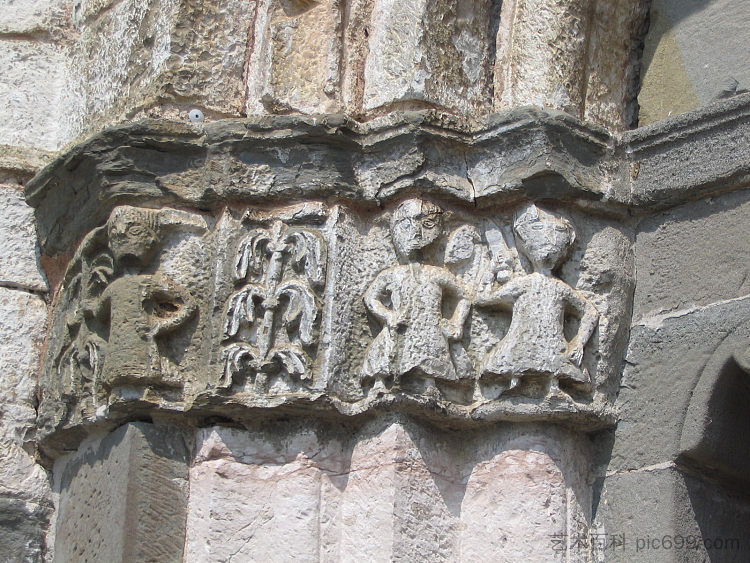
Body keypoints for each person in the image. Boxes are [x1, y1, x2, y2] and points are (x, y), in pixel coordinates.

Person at [477, 202, 598, 392]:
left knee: (553, 366)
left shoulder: (558, 288)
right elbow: (483, 301)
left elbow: (590, 311)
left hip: (552, 344)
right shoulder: (525, 284)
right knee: (517, 363)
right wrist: (492, 271)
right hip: (522, 340)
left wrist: (580, 343)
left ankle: (553, 388)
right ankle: (514, 386)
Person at [361, 199, 470, 393]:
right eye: (407, 225)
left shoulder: (437, 274)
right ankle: (379, 383)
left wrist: (456, 323)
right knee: (386, 352)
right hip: (400, 323)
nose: (416, 232)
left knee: (430, 355)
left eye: (426, 225)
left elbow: (463, 296)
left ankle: (430, 385)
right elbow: (370, 297)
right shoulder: (392, 273)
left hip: (429, 325)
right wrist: (388, 315)